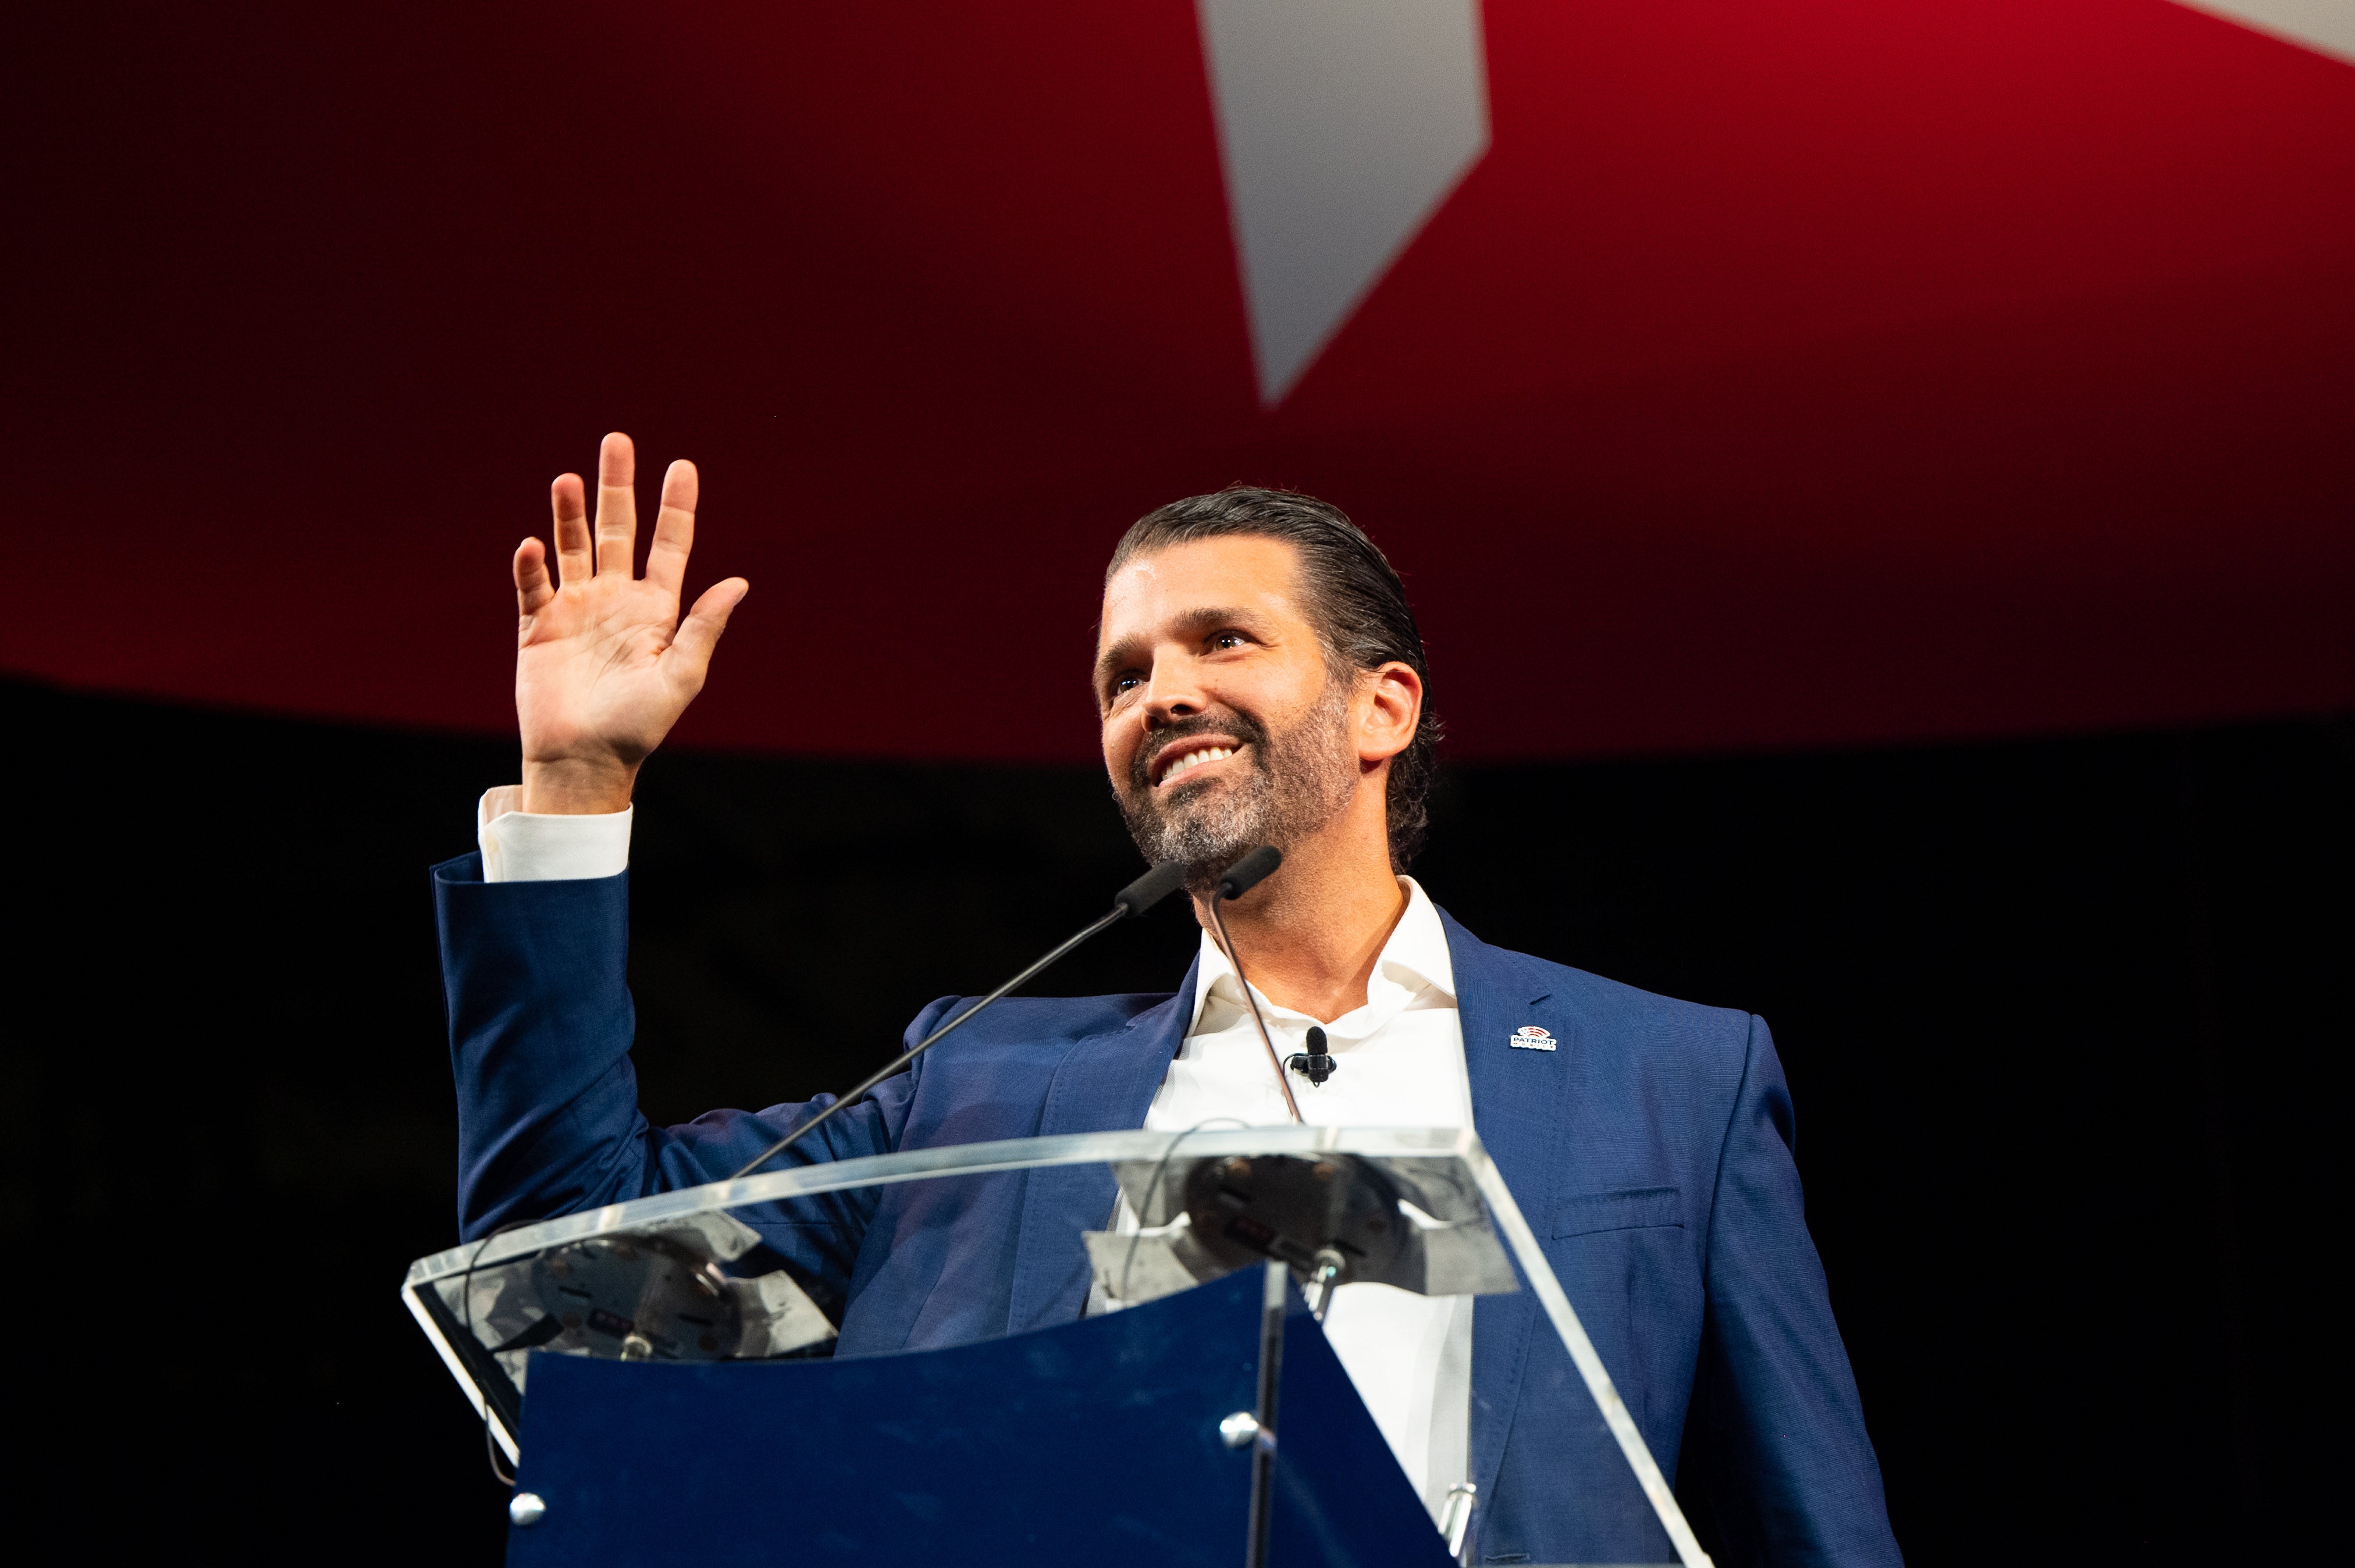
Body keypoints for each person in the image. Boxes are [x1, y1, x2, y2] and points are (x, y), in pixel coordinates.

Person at [435, 433, 1902, 1566]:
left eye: (1220, 642)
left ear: (1381, 707)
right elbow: (558, 1286)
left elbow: (1817, 1532)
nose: (1157, 694)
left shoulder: (1668, 1080)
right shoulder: (983, 1085)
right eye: (1120, 674)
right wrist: (577, 785)